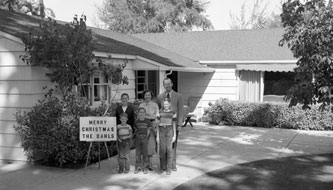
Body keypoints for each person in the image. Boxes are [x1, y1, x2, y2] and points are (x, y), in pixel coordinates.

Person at [157, 78, 184, 172]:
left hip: (174, 124)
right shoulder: (160, 97)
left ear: (172, 84)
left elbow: (181, 110)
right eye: (165, 84)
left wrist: (180, 124)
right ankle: (163, 166)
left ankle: (173, 164)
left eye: (169, 84)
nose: (167, 86)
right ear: (163, 85)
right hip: (163, 125)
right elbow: (158, 110)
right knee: (163, 146)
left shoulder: (179, 96)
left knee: (172, 145)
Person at [139, 90, 160, 171]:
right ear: (144, 96)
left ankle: (150, 164)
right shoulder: (141, 105)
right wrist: (150, 116)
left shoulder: (155, 105)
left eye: (149, 95)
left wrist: (148, 116)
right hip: (143, 125)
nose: (147, 96)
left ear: (151, 96)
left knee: (151, 144)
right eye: (146, 95)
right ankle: (144, 163)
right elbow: (140, 115)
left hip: (152, 125)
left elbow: (157, 116)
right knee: (143, 144)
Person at [157, 98, 176, 175]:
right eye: (164, 104)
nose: (166, 106)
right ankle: (162, 168)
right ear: (163, 105)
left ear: (169, 104)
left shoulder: (173, 112)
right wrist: (157, 136)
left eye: (167, 104)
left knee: (169, 150)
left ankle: (168, 169)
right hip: (161, 131)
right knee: (162, 150)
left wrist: (174, 135)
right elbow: (158, 125)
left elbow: (174, 124)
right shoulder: (159, 112)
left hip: (169, 130)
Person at [133, 107, 151, 174]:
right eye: (140, 112)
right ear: (138, 113)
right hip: (138, 138)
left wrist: (146, 137)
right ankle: (137, 167)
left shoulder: (147, 121)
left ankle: (145, 167)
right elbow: (135, 130)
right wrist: (137, 136)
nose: (142, 113)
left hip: (145, 138)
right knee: (138, 153)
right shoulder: (136, 121)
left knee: (145, 153)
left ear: (145, 113)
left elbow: (149, 130)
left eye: (143, 112)